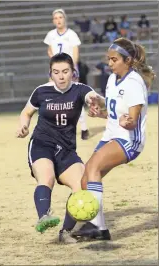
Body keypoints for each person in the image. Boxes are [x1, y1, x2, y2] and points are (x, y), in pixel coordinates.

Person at [72, 37, 155, 241]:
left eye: (114, 60)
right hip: (111, 134)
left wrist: (129, 122)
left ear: (127, 60)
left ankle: (95, 226)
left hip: (128, 139)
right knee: (85, 179)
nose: (109, 64)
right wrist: (99, 111)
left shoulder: (135, 82)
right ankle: (99, 228)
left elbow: (132, 121)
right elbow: (114, 113)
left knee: (93, 169)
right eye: (108, 59)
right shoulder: (111, 80)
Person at [16, 53, 104, 244]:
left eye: (65, 71)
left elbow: (92, 98)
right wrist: (23, 125)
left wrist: (96, 103)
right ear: (51, 74)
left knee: (82, 185)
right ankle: (44, 216)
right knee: (46, 178)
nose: (61, 76)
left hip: (66, 149)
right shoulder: (41, 91)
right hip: (42, 144)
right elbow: (27, 112)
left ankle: (65, 232)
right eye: (56, 72)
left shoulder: (81, 90)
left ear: (73, 72)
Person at [44, 8, 89, 140]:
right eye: (56, 18)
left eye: (60, 17)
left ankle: (84, 128)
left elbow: (75, 54)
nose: (58, 20)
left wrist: (72, 68)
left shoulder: (72, 34)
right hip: (55, 71)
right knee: (54, 100)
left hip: (69, 69)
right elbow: (49, 50)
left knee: (74, 99)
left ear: (65, 19)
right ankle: (57, 128)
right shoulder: (51, 35)